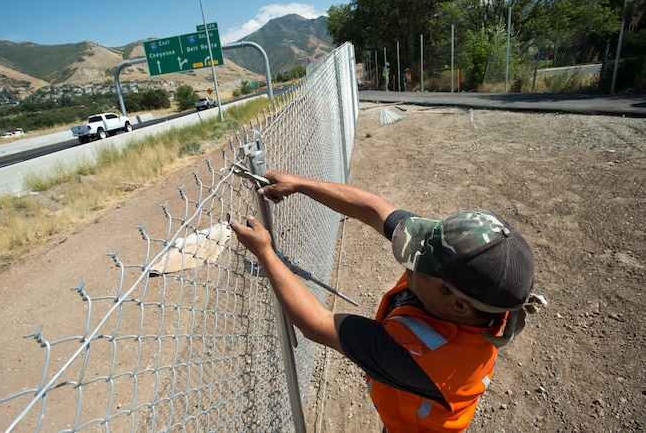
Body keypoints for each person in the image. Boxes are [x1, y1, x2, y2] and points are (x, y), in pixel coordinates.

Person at [230, 172, 545, 433]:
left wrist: (266, 254)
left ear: (458, 305)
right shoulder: (470, 278)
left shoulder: (419, 358)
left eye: (420, 264)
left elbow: (318, 323)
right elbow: (373, 209)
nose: (412, 260)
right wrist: (300, 184)